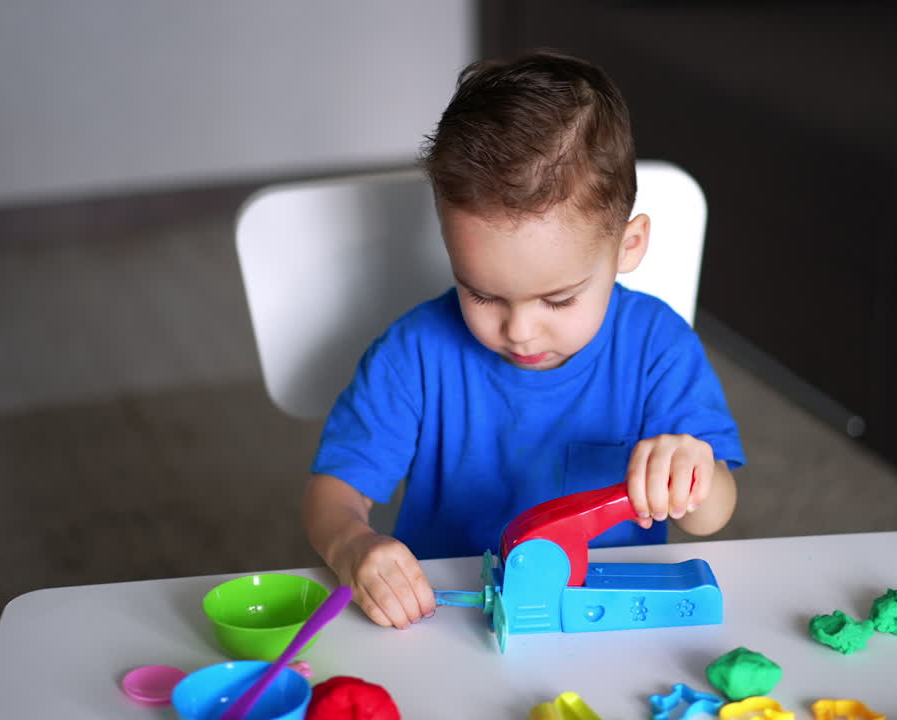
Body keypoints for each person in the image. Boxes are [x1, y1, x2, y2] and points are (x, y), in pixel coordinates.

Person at [303, 50, 745, 630]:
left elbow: (712, 517)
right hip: (451, 615)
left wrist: (694, 477)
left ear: (628, 247)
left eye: (558, 300)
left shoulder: (657, 347)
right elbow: (332, 495)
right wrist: (351, 546)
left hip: (607, 620)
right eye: (482, 294)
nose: (520, 330)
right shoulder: (414, 354)